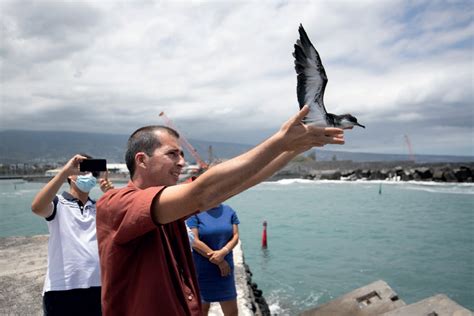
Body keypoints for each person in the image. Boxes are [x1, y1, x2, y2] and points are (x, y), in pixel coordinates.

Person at [96, 105, 345, 315]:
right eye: (172, 154)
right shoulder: (117, 203)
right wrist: (278, 141)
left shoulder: (166, 206)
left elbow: (239, 183)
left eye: (182, 154)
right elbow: (203, 193)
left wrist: (291, 149)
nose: (182, 162)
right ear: (142, 160)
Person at [31, 154, 114, 316]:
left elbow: (122, 219)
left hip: (98, 286)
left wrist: (111, 194)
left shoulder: (100, 207)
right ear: (71, 175)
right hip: (61, 288)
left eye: (92, 172)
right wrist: (64, 172)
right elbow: (37, 207)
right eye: (83, 171)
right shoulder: (58, 203)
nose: (88, 175)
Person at [186, 203, 240, 316]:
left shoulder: (229, 211)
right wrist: (219, 261)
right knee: (202, 311)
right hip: (202, 270)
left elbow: (235, 236)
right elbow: (194, 241)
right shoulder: (194, 213)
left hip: (225, 271)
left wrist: (223, 251)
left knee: (232, 313)